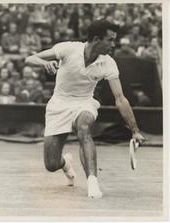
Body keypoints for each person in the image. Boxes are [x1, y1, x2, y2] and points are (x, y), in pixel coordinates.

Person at [26, 19, 145, 199]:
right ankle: (65, 163)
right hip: (58, 104)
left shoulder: (109, 63)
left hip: (85, 102)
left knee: (83, 126)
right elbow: (30, 58)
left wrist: (135, 130)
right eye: (110, 40)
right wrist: (45, 64)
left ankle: (92, 181)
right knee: (51, 164)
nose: (114, 45)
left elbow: (120, 99)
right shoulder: (68, 48)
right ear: (97, 39)